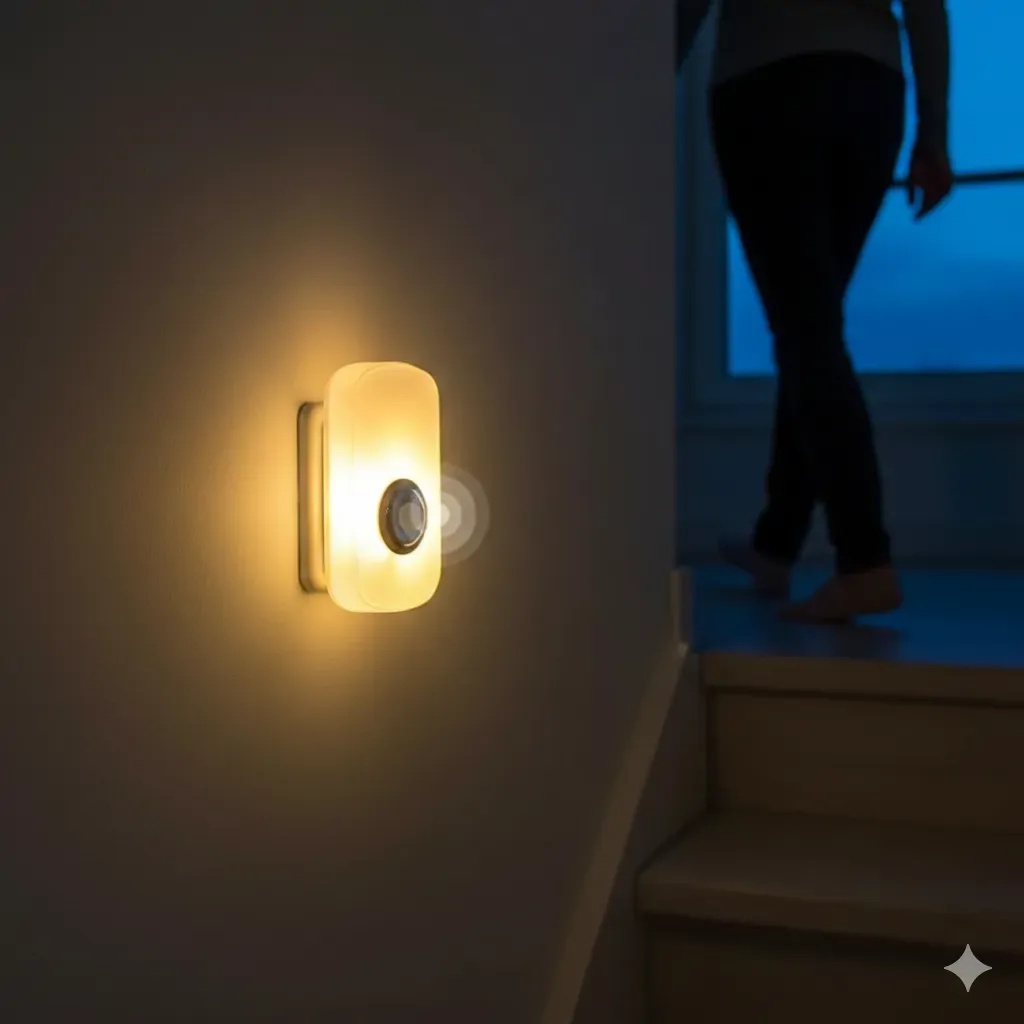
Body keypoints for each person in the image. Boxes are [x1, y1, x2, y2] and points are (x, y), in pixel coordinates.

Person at [676, 0, 954, 623]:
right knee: (811, 322)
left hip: (768, 80)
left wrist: (632, 92)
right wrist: (933, 132)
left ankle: (864, 560)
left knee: (806, 327)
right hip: (870, 88)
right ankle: (777, 542)